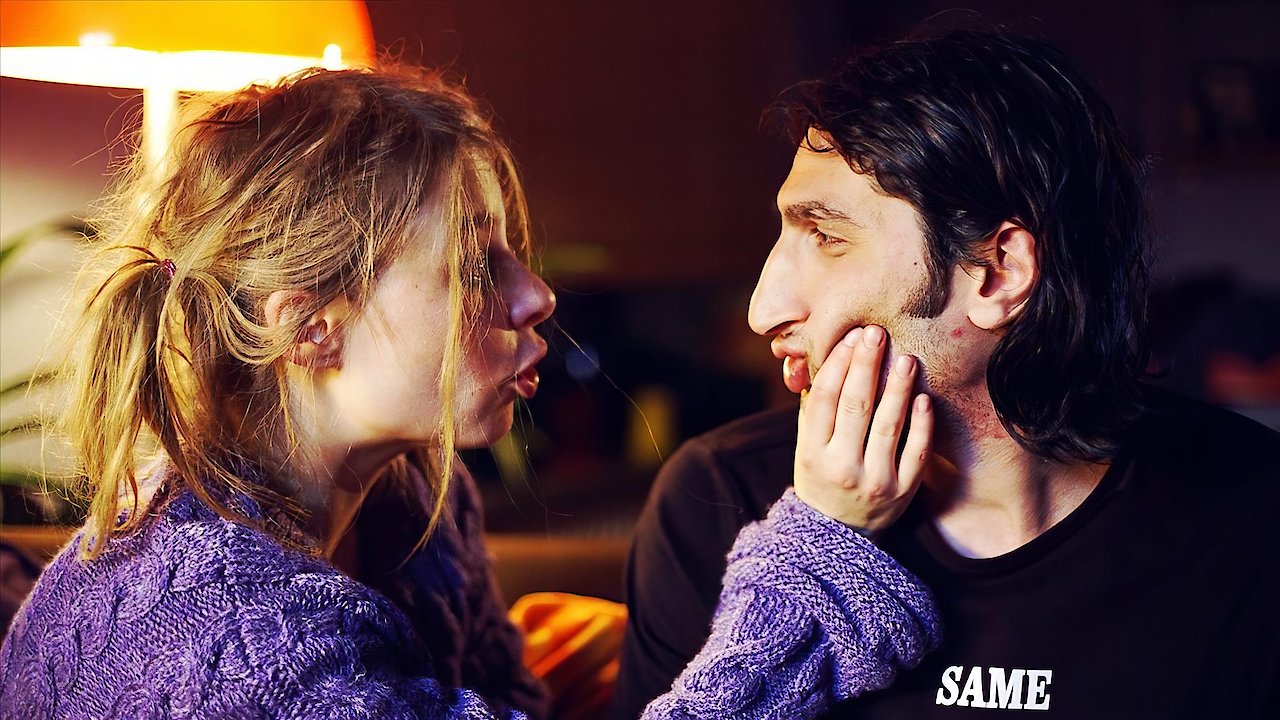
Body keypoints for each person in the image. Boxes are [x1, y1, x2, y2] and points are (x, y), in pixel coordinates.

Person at [0, 65, 939, 720]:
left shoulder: (418, 494)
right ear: (309, 326)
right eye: (473, 267)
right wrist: (820, 547)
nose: (537, 297)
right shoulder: (240, 650)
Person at [614, 30, 1280, 719]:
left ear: (998, 273)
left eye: (828, 237)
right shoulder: (721, 500)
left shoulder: (1255, 522)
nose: (763, 310)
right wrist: (814, 557)